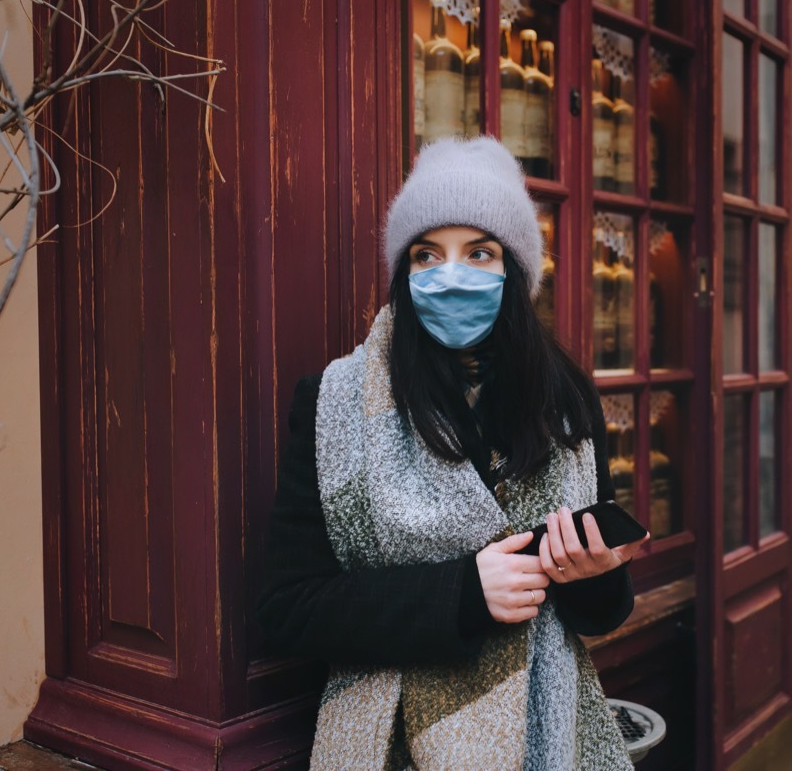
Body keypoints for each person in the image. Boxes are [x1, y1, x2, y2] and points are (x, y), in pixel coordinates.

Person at [256, 135, 649, 770]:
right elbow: (288, 607)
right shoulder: (335, 401)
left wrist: (594, 576)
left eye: (480, 253)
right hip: (398, 742)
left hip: (544, 734)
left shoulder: (566, 402)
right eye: (427, 255)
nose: (451, 274)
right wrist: (463, 594)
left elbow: (600, 615)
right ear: (404, 272)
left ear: (514, 271)